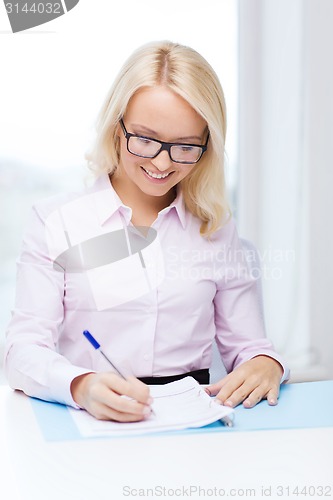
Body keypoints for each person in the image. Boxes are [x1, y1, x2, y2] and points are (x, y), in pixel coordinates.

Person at [4, 40, 289, 423]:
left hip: (195, 425)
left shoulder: (218, 231)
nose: (161, 162)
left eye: (185, 146)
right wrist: (81, 385)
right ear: (116, 128)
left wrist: (268, 364)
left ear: (208, 145)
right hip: (88, 421)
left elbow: (251, 348)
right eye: (145, 139)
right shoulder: (55, 222)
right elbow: (23, 351)